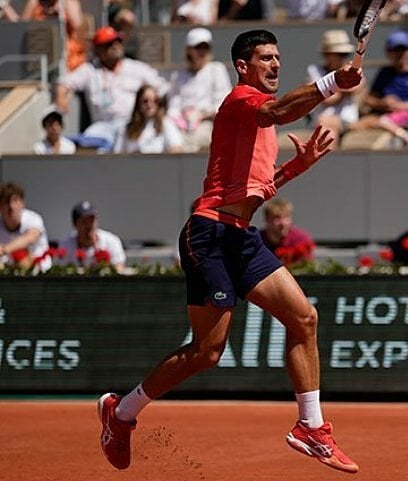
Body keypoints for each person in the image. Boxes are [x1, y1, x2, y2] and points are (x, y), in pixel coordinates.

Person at [96, 29, 362, 474]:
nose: (275, 65)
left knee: (304, 318)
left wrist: (299, 165)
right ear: (243, 66)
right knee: (207, 352)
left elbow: (257, 190)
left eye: (278, 57)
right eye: (265, 58)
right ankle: (121, 412)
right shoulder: (241, 99)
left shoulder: (264, 126)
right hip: (209, 235)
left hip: (241, 236)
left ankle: (311, 428)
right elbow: (278, 110)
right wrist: (332, 81)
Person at [55, 26, 169, 151]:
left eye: (118, 42)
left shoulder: (136, 68)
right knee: (84, 146)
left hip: (133, 125)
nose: (115, 46)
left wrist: (159, 112)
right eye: (109, 44)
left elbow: (163, 88)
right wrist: (61, 99)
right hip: (103, 126)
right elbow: (64, 82)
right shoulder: (90, 70)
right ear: (98, 49)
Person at [167, 27, 232, 152]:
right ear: (189, 50)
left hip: (207, 124)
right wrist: (181, 120)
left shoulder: (216, 69)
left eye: (205, 47)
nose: (202, 52)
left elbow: (223, 103)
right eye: (198, 47)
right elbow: (173, 106)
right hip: (181, 126)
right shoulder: (178, 75)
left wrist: (202, 114)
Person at [355, 30, 408, 128]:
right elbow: (369, 99)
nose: (400, 54)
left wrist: (400, 106)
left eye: (403, 49)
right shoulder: (385, 73)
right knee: (357, 126)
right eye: (396, 50)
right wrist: (383, 103)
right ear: (388, 52)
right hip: (386, 118)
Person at [306, 30, 361, 144]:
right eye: (340, 54)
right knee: (326, 127)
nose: (343, 58)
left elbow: (356, 87)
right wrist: (342, 89)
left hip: (345, 120)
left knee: (328, 130)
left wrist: (329, 90)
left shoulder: (352, 69)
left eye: (345, 54)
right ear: (327, 54)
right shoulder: (314, 71)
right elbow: (327, 100)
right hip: (321, 120)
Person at [114, 84, 184, 153]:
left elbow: (176, 148)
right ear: (138, 103)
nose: (149, 105)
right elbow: (118, 154)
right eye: (145, 101)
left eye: (154, 101)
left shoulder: (166, 124)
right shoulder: (127, 128)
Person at [57, 201, 126, 271]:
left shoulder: (112, 241)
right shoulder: (66, 244)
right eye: (84, 221)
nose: (89, 225)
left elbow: (119, 268)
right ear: (75, 224)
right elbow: (61, 271)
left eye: (92, 220)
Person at [21, 0, 87, 71]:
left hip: (68, 59)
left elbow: (78, 26)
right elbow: (20, 28)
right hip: (40, 56)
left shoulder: (69, 2)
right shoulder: (34, 3)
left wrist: (62, 10)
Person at [0, 183, 51, 271]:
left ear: (22, 203)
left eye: (15, 201)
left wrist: (4, 249)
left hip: (41, 275)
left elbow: (31, 237)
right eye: (6, 202)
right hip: (9, 276)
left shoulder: (33, 218)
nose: (11, 206)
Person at [260, 198, 315, 263]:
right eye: (277, 218)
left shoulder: (301, 240)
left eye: (286, 217)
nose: (283, 223)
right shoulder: (258, 239)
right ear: (267, 219)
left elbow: (306, 267)